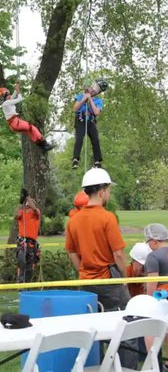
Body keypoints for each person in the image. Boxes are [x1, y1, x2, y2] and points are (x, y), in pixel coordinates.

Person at [65, 168, 137, 368]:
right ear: (102, 191)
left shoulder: (74, 220)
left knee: (95, 330)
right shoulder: (107, 218)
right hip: (109, 280)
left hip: (86, 283)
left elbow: (71, 252)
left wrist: (84, 271)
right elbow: (119, 254)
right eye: (108, 189)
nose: (109, 193)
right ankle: (127, 369)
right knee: (126, 331)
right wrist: (125, 277)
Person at [0, 82, 55, 152]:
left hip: (14, 124)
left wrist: (16, 89)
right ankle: (44, 144)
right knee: (32, 128)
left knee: (30, 131)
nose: (9, 95)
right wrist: (19, 92)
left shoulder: (6, 102)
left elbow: (13, 96)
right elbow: (20, 99)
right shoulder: (6, 103)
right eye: (7, 94)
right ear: (3, 97)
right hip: (15, 122)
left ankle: (42, 146)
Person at [71, 78, 109, 169]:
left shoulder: (98, 101)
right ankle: (75, 158)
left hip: (90, 120)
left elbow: (96, 112)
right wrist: (84, 98)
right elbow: (75, 109)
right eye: (93, 87)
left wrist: (90, 100)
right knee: (79, 138)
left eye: (96, 90)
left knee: (95, 140)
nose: (93, 90)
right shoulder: (81, 96)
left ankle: (97, 161)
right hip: (81, 119)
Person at [15, 189, 41, 283]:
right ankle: (21, 284)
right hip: (22, 242)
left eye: (30, 203)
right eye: (27, 203)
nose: (28, 204)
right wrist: (21, 202)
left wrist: (28, 197)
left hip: (31, 244)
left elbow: (34, 208)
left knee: (30, 267)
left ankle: (28, 285)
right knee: (22, 262)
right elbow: (15, 215)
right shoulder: (22, 213)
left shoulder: (36, 213)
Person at [143, 223, 168, 297]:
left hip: (163, 299)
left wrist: (149, 301)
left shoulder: (153, 257)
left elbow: (152, 283)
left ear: (154, 241)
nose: (148, 245)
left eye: (148, 241)